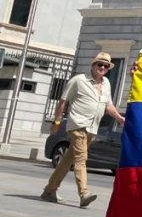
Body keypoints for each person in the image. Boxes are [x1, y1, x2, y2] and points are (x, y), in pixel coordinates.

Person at [41, 52, 126, 207]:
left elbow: (108, 105)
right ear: (92, 65)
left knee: (67, 160)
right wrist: (57, 122)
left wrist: (119, 118)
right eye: (99, 64)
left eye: (105, 66)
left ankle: (49, 190)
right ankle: (84, 193)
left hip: (92, 128)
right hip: (77, 125)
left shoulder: (106, 83)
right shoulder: (78, 81)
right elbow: (62, 102)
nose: (102, 67)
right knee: (81, 159)